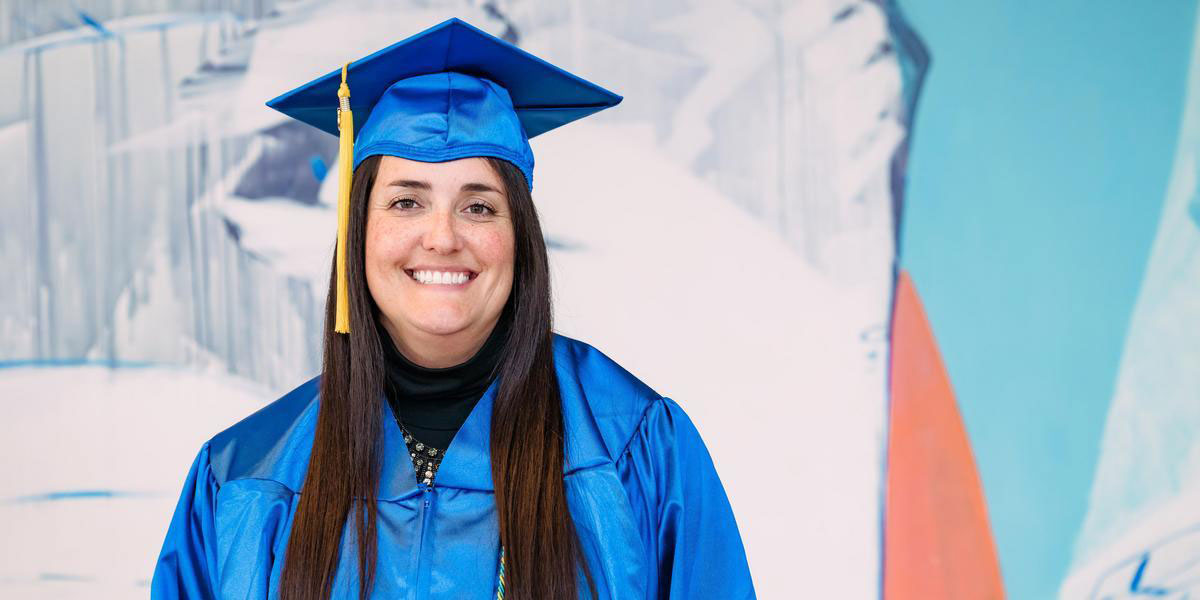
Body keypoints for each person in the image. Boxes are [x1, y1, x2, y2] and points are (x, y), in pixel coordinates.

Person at [150, 17, 755, 600]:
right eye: (406, 202)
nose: (442, 238)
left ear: (520, 238)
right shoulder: (244, 479)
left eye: (479, 207)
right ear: (358, 232)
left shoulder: (636, 450)